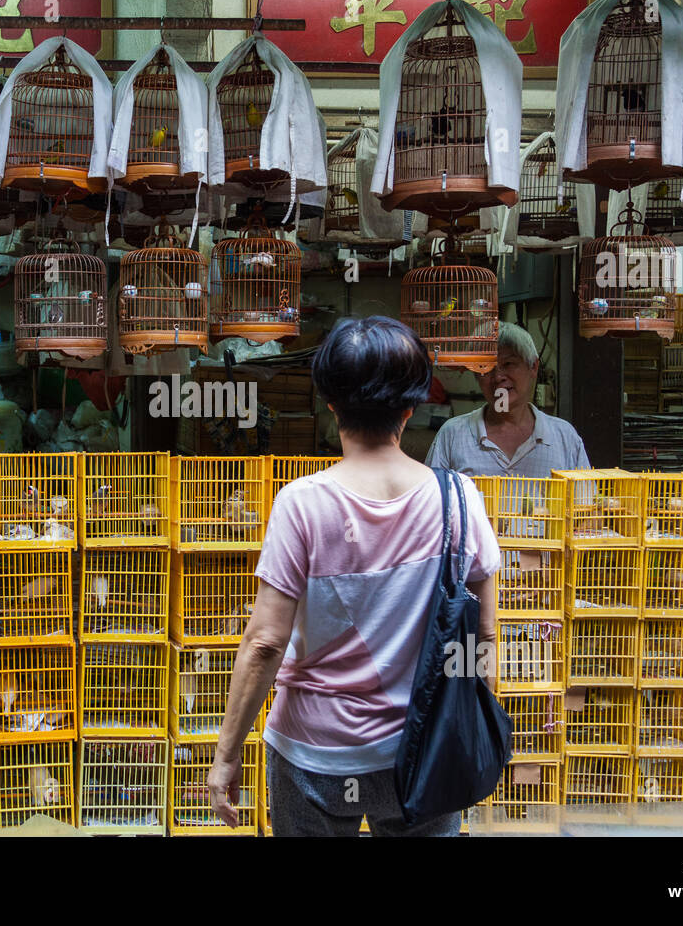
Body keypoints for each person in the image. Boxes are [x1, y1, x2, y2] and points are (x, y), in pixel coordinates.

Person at [206, 316, 501, 837]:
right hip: (421, 750)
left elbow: (264, 645)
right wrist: (463, 732)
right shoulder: (459, 500)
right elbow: (484, 639)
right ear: (411, 407)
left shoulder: (302, 503)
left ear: (331, 403)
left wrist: (225, 758)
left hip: (315, 757)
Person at [425, 323, 590, 478]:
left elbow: (586, 504)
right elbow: (432, 502)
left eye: (509, 364)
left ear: (533, 367)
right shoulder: (453, 434)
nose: (498, 377)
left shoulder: (564, 437)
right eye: (486, 368)